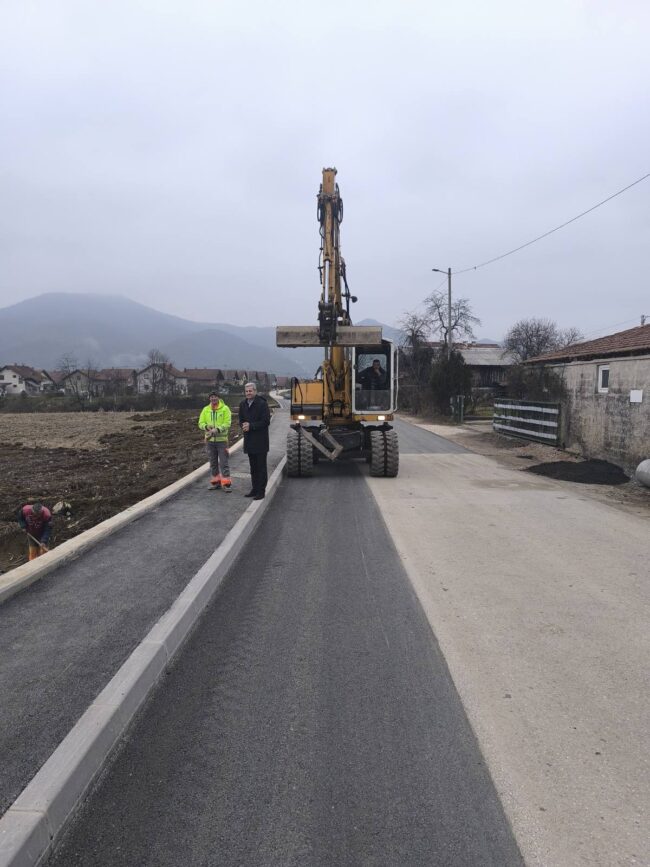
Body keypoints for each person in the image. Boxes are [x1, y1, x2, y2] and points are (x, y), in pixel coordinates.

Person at [238, 382, 270, 500]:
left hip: (260, 441)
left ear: (255, 391)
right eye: (246, 391)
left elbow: (266, 421)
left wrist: (251, 426)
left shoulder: (262, 404)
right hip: (249, 441)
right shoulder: (242, 404)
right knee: (253, 468)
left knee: (261, 468)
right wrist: (243, 425)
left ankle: (261, 491)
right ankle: (254, 489)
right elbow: (241, 420)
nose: (248, 393)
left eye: (250, 391)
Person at [198, 391, 232, 491]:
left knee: (224, 463)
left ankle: (226, 484)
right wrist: (206, 426)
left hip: (222, 441)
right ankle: (216, 483)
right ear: (209, 399)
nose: (213, 399)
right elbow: (200, 423)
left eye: (215, 397)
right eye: (211, 397)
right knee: (213, 463)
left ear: (218, 398)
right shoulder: (205, 409)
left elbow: (227, 423)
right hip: (210, 441)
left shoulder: (225, 409)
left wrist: (217, 429)